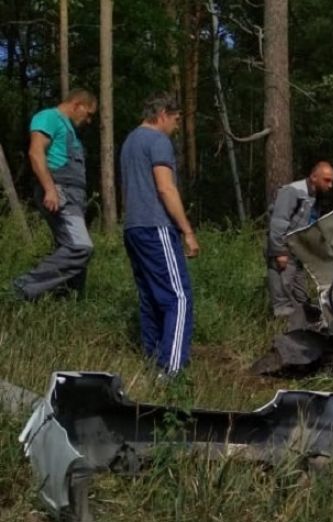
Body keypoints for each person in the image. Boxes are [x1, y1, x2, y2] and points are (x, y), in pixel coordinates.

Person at [119, 93, 200, 378]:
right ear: (163, 113)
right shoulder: (158, 141)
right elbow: (166, 188)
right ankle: (172, 371)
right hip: (156, 227)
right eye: (176, 120)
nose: (176, 127)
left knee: (151, 298)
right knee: (179, 299)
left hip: (133, 228)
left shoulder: (130, 141)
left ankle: (153, 364)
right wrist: (187, 231)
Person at [12, 89, 98, 300]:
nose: (89, 120)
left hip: (73, 198)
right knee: (80, 247)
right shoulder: (49, 117)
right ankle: (20, 289)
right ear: (77, 104)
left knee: (71, 251)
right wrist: (50, 189)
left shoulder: (70, 129)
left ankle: (69, 303)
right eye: (88, 114)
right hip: (60, 192)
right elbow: (35, 152)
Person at [266, 162, 333, 319]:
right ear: (313, 177)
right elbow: (278, 222)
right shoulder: (292, 192)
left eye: (332, 181)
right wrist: (279, 252)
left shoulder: (315, 197)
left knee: (301, 297)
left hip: (297, 253)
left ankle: (305, 327)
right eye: (327, 180)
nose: (330, 185)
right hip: (284, 250)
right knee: (282, 298)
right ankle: (282, 333)